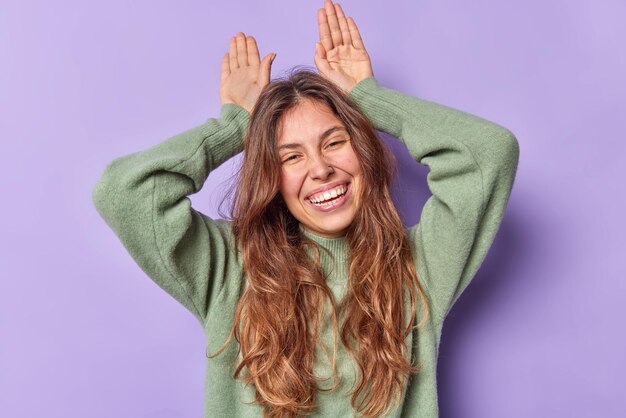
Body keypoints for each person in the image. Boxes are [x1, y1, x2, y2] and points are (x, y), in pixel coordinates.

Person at [91, 0, 520, 417]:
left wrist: (368, 100)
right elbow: (124, 192)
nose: (321, 169)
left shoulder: (421, 266)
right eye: (290, 157)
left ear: (364, 152)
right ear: (270, 178)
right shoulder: (228, 268)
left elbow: (487, 155)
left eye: (334, 142)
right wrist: (237, 126)